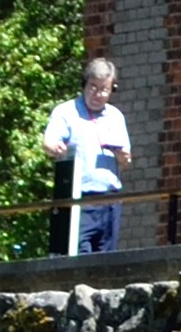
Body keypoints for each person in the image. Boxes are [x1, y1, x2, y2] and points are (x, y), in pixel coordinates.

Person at [43, 58, 131, 257]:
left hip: (110, 199)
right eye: (93, 87)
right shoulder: (66, 111)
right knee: (78, 253)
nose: (98, 95)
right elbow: (48, 142)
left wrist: (123, 157)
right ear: (84, 84)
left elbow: (126, 161)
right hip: (80, 198)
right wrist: (54, 147)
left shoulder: (116, 117)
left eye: (104, 89)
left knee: (106, 258)